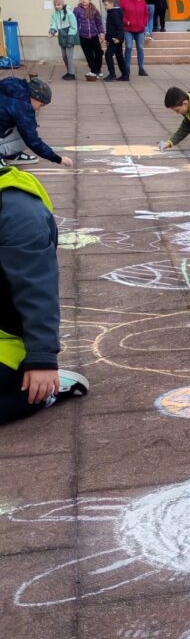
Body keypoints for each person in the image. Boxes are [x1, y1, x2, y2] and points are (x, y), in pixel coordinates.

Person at [0, 160, 89, 425]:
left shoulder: (17, 211)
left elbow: (37, 288)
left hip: (6, 343)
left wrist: (41, 360)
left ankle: (41, 393)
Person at [0, 77, 75, 169]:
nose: (40, 108)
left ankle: (11, 155)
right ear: (35, 97)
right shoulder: (23, 108)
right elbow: (32, 141)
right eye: (41, 104)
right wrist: (58, 159)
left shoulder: (11, 85)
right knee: (26, 139)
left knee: (23, 129)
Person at [120, 0, 149, 77]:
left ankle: (141, 69)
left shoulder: (142, 0)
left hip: (140, 29)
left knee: (140, 48)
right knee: (128, 47)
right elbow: (121, 14)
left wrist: (144, 23)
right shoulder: (123, 0)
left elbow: (146, 13)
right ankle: (127, 69)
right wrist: (126, 21)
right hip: (128, 29)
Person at [74, 0, 104, 81]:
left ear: (89, 0)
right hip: (83, 36)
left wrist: (101, 33)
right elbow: (73, 21)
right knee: (89, 55)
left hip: (94, 35)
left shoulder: (94, 10)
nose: (83, 1)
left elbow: (99, 23)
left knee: (99, 52)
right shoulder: (77, 10)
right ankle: (94, 71)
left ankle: (97, 69)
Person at [48, 0, 79, 80]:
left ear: (62, 4)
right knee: (64, 56)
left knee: (69, 56)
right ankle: (69, 71)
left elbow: (74, 27)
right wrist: (52, 32)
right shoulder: (54, 14)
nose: (56, 6)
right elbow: (54, 24)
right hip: (62, 37)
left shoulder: (69, 13)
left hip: (69, 36)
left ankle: (72, 74)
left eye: (58, 4)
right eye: (55, 5)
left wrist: (70, 39)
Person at [100, 0, 128, 82]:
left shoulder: (114, 13)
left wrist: (118, 38)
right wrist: (107, 38)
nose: (105, 7)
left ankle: (112, 75)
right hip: (113, 38)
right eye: (104, 5)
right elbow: (110, 27)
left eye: (106, 5)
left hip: (115, 39)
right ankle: (125, 75)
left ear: (111, 3)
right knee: (119, 56)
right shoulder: (111, 12)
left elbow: (120, 27)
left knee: (108, 55)